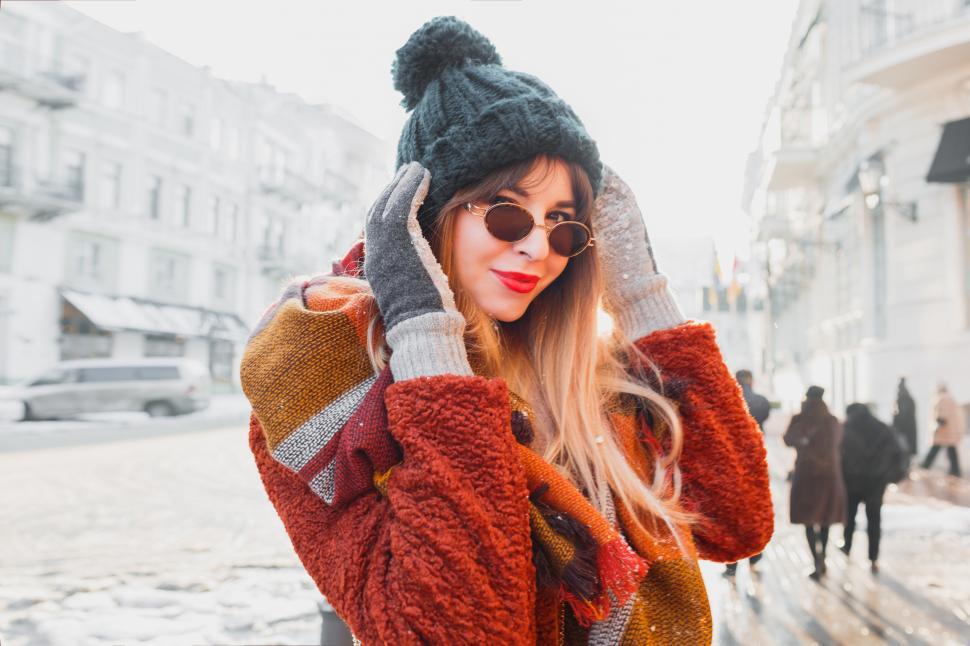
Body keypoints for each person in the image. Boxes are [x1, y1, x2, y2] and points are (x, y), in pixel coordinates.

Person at [240, 17, 773, 645]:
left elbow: (737, 522)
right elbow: (452, 632)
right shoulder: (322, 378)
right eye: (507, 214)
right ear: (424, 216)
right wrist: (425, 339)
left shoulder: (587, 377)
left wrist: (639, 295)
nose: (539, 249)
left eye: (565, 225)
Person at [783, 386, 846, 580]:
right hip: (828, 475)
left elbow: (787, 439)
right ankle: (823, 558)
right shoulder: (832, 420)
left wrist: (803, 444)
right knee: (825, 518)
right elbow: (837, 442)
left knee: (808, 520)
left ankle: (816, 560)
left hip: (806, 474)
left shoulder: (800, 419)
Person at [840, 403, 903, 573]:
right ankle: (873, 557)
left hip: (852, 481)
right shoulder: (883, 429)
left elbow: (839, 454)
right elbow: (898, 454)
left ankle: (847, 546)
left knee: (850, 516)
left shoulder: (847, 429)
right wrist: (888, 476)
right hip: (876, 483)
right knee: (874, 520)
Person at [724, 369, 771, 577]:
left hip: (731, 462)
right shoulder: (761, 401)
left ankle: (732, 564)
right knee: (754, 509)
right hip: (755, 458)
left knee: (733, 513)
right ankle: (755, 554)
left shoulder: (727, 398)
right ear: (751, 380)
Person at [921, 383, 965, 477]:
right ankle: (955, 470)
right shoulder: (950, 398)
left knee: (935, 448)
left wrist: (936, 426)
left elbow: (942, 416)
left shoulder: (942, 399)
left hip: (943, 430)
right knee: (951, 450)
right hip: (950, 431)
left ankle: (925, 466)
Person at [892, 377, 918, 456]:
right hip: (906, 427)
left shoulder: (903, 399)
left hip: (904, 428)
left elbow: (902, 414)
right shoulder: (907, 399)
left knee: (904, 446)